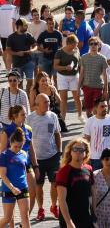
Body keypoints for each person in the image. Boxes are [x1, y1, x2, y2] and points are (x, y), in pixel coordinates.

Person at [28, 93, 61, 222]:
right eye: (45, 102)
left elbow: (57, 134)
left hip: (53, 156)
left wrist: (59, 151)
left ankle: (54, 206)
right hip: (37, 159)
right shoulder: (30, 118)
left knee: (55, 183)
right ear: (37, 105)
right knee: (39, 185)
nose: (48, 104)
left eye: (48, 102)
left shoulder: (53, 116)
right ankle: (41, 209)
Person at [56, 138, 94, 228]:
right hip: (70, 219)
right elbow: (61, 200)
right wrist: (69, 222)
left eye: (81, 150)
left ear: (86, 153)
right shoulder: (64, 172)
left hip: (86, 217)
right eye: (75, 149)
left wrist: (94, 213)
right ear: (70, 152)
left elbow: (92, 194)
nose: (78, 152)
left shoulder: (89, 169)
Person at [0, 128, 33, 228]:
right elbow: (3, 175)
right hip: (8, 189)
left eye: (20, 146)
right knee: (7, 218)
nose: (18, 149)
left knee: (25, 218)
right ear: (11, 142)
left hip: (23, 188)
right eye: (15, 146)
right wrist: (12, 188)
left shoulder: (24, 154)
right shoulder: (4, 155)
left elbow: (26, 170)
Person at [82, 100, 110, 171]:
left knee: (109, 176)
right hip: (94, 158)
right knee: (95, 177)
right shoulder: (90, 121)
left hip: (108, 157)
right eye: (102, 106)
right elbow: (86, 140)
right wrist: (87, 156)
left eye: (106, 106)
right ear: (96, 108)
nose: (105, 108)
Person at [54, 35, 83, 125]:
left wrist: (79, 70)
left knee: (77, 97)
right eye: (75, 44)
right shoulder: (59, 52)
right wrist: (65, 67)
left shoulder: (76, 50)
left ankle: (80, 115)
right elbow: (55, 66)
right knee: (64, 98)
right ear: (69, 44)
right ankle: (63, 118)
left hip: (74, 76)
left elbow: (79, 62)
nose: (77, 45)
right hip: (62, 76)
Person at [78, 37, 108, 121]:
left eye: (95, 44)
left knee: (97, 109)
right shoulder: (84, 57)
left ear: (99, 45)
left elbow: (105, 75)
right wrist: (78, 87)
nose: (93, 46)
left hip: (98, 86)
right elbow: (81, 73)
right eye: (91, 44)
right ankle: (91, 123)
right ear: (89, 45)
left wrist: (106, 90)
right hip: (86, 86)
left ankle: (97, 124)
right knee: (88, 110)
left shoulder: (102, 58)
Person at [6, 19, 36, 91]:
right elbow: (8, 50)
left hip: (29, 62)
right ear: (19, 26)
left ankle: (28, 95)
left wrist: (32, 50)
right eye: (25, 25)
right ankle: (21, 95)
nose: (27, 27)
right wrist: (17, 53)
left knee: (30, 81)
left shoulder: (28, 35)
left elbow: (35, 46)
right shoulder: (11, 37)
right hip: (17, 64)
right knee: (19, 83)